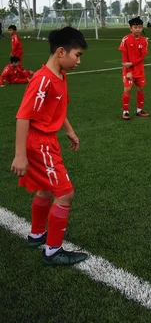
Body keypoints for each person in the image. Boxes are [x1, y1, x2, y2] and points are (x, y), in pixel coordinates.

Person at [11, 26, 89, 266]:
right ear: (61, 52)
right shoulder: (43, 80)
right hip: (40, 143)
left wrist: (69, 130)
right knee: (65, 194)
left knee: (45, 189)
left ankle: (36, 235)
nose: (78, 61)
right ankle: (53, 251)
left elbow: (58, 108)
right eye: (77, 55)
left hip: (48, 140)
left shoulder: (59, 76)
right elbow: (23, 116)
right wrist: (20, 155)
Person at [119, 17, 150, 120]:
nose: (138, 29)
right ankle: (125, 112)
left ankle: (139, 110)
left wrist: (131, 63)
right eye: (135, 27)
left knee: (140, 89)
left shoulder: (144, 41)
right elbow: (124, 59)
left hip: (139, 70)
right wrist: (127, 71)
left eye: (140, 27)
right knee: (127, 90)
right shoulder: (125, 39)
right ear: (130, 28)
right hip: (128, 71)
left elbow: (142, 57)